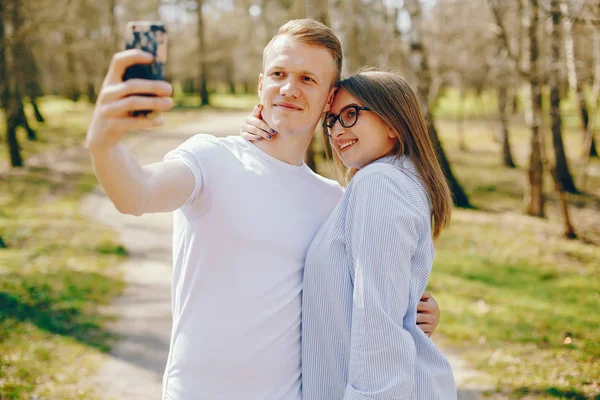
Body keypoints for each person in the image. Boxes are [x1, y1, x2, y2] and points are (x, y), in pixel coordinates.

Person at [86, 19, 441, 399]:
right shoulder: (212, 158)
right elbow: (137, 194)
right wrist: (103, 145)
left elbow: (367, 298)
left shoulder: (336, 201)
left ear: (328, 98)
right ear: (261, 85)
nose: (289, 88)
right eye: (278, 74)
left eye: (308, 79)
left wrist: (418, 312)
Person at [243, 70, 457, 398]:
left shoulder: (380, 183)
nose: (337, 130)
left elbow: (378, 321)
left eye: (351, 114)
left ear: (393, 123)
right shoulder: (395, 180)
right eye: (331, 121)